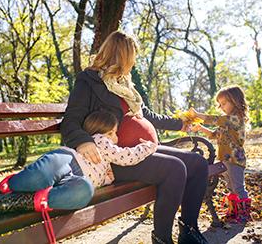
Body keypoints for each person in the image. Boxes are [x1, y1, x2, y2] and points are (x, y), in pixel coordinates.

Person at [60, 31, 209, 244]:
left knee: (198, 163)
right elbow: (71, 120)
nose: (134, 62)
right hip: (115, 158)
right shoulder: (89, 81)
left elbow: (146, 115)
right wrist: (83, 141)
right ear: (122, 56)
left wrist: (179, 124)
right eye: (132, 57)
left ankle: (189, 229)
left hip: (140, 150)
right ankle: (162, 238)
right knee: (175, 168)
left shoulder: (125, 85)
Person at [0, 110, 157, 219]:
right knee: (35, 179)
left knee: (84, 191)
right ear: (103, 132)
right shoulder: (100, 140)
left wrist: (107, 177)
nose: (116, 138)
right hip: (66, 160)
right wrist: (148, 147)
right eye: (114, 133)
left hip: (78, 179)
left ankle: (11, 202)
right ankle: (4, 191)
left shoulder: (107, 164)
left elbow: (105, 173)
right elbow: (127, 156)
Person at [189, 85, 251, 223]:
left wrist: (198, 115)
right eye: (220, 104)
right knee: (230, 187)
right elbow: (213, 135)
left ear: (235, 101)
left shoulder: (235, 119)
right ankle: (234, 212)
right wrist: (200, 127)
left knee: (238, 187)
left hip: (235, 160)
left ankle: (244, 214)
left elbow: (215, 119)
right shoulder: (226, 122)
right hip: (225, 159)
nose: (222, 107)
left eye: (224, 103)